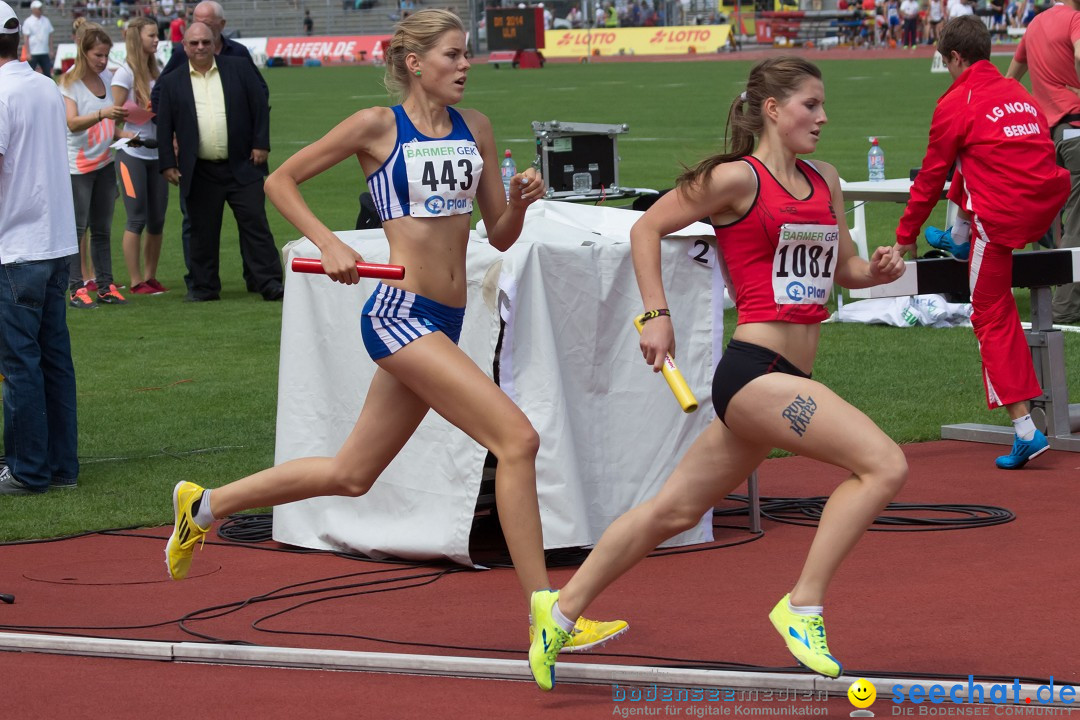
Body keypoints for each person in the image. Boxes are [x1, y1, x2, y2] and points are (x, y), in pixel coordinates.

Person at [162, 7, 628, 659]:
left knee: (353, 474)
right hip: (397, 315)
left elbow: (495, 236)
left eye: (467, 55)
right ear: (414, 63)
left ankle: (205, 506)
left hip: (443, 319)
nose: (466, 66)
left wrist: (520, 202)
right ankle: (545, 614)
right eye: (452, 56)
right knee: (517, 439)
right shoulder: (378, 127)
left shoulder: (478, 129)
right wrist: (327, 244)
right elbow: (279, 179)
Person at [525, 56, 908, 691]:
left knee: (671, 511)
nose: (823, 116)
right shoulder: (737, 180)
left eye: (822, 104)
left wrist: (878, 272)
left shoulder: (827, 179)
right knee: (884, 464)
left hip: (787, 376)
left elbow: (846, 268)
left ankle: (557, 613)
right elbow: (648, 225)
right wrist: (655, 314)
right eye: (810, 104)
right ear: (773, 109)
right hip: (755, 374)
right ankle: (802, 605)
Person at [894, 16, 1068, 469]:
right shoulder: (1019, 93)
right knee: (973, 161)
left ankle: (1025, 430)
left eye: (945, 62)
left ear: (954, 57)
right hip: (1045, 205)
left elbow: (930, 178)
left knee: (989, 314)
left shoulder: (956, 101)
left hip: (1003, 219)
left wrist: (904, 237)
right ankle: (958, 235)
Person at [0, 0, 79, 494]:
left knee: (20, 362)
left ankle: (28, 470)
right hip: (53, 243)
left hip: (17, 246)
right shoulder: (45, 86)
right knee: (53, 358)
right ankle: (60, 466)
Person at [156, 23, 284, 302]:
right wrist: (167, 162)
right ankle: (203, 287)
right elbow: (164, 125)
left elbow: (260, 105)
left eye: (205, 42)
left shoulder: (239, 67)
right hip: (199, 170)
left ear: (215, 43)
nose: (200, 47)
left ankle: (269, 282)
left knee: (256, 226)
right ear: (184, 46)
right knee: (202, 231)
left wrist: (261, 143)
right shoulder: (172, 81)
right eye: (194, 43)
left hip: (243, 163)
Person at [1006, 0, 1080, 325]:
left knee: (1050, 221)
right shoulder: (1075, 19)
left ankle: (1046, 297)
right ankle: (1066, 308)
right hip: (1075, 126)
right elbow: (1079, 55)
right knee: (1077, 218)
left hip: (1044, 134)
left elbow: (1010, 80)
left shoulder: (1034, 24)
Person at [60, 22, 132, 309]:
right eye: (98, 55)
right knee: (77, 229)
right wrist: (104, 113)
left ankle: (105, 286)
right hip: (78, 166)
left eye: (106, 55)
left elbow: (110, 126)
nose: (103, 61)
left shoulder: (106, 79)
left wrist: (123, 135)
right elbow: (73, 123)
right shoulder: (68, 82)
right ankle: (77, 288)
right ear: (83, 52)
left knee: (102, 229)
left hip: (104, 161)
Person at [112, 17, 169, 295]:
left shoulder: (158, 72)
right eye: (151, 35)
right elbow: (111, 121)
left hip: (157, 154)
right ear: (137, 38)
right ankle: (135, 282)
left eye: (157, 35)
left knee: (157, 218)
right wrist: (130, 135)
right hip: (131, 155)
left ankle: (151, 276)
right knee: (136, 218)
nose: (156, 39)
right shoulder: (124, 74)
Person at [21, 0, 53, 76]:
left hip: (44, 51)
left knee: (47, 74)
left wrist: (51, 49)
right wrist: (27, 52)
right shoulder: (28, 21)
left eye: (40, 8)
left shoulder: (46, 20)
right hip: (33, 52)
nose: (40, 10)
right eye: (39, 8)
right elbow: (26, 38)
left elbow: (50, 35)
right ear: (33, 9)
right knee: (30, 73)